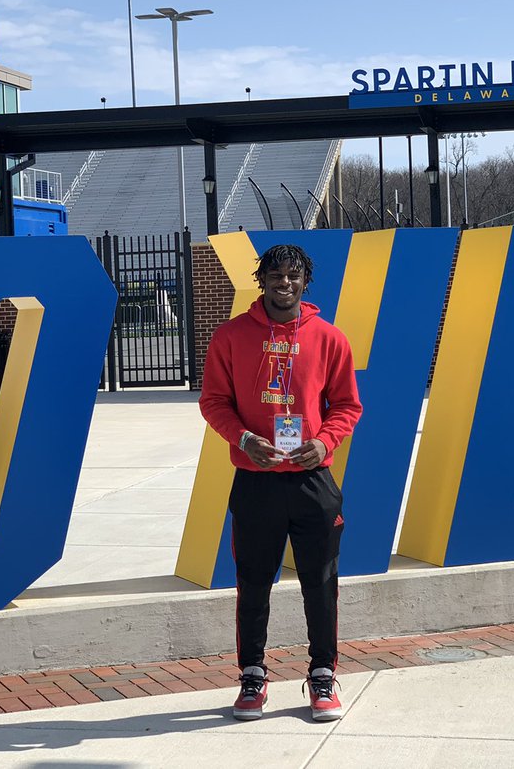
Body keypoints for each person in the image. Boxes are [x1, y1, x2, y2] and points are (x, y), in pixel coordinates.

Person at [199, 243, 362, 722]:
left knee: (321, 582)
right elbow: (214, 402)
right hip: (256, 481)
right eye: (275, 274)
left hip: (312, 481)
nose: (283, 282)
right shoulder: (230, 336)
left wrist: (326, 442)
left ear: (305, 282)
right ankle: (252, 675)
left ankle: (322, 675)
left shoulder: (329, 338)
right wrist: (244, 438)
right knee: (252, 584)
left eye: (293, 275)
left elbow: (347, 405)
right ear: (262, 279)